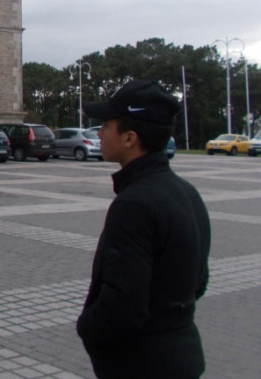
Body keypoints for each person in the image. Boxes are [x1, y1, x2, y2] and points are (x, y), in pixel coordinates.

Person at [76, 79, 211, 379]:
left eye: (107, 125)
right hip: (182, 354)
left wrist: (86, 327)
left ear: (129, 138)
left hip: (142, 363)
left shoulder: (135, 204)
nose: (99, 132)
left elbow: (122, 308)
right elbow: (198, 282)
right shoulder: (185, 191)